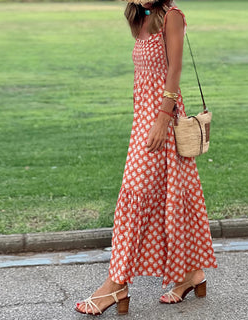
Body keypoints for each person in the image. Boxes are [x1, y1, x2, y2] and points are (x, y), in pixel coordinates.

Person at [75, 0, 218, 316]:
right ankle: (192, 274)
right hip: (142, 121)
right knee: (171, 196)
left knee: (137, 197)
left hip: (160, 123)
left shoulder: (172, 17)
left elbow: (174, 70)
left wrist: (162, 119)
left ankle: (116, 284)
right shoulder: (143, 17)